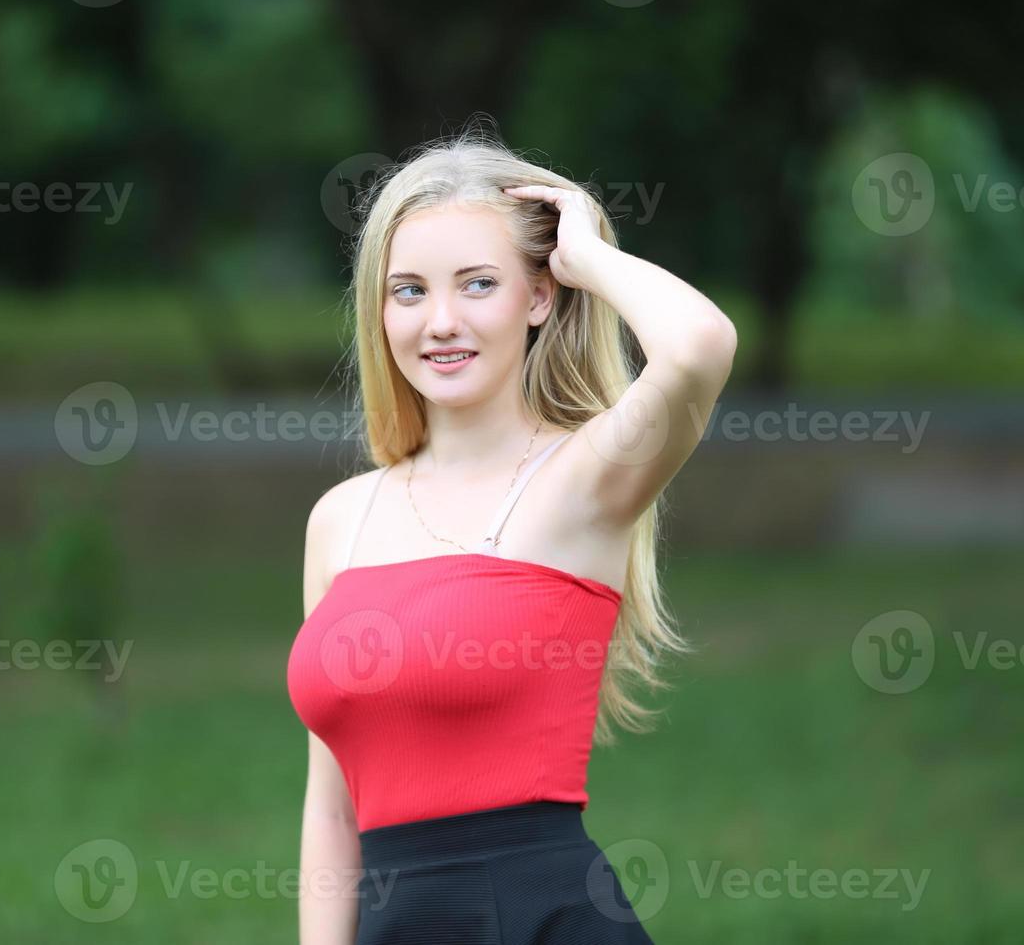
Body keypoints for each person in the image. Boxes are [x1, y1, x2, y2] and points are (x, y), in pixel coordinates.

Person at [287, 125, 737, 944]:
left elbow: (700, 345)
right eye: (410, 290)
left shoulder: (587, 479)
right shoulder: (341, 518)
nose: (441, 321)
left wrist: (590, 257)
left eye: (479, 284)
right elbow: (332, 800)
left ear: (539, 296)